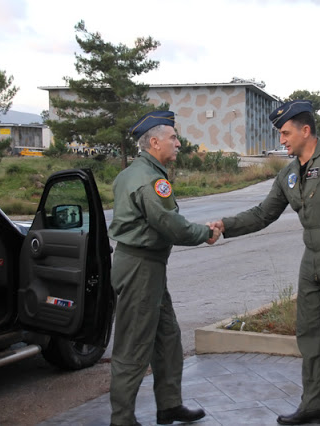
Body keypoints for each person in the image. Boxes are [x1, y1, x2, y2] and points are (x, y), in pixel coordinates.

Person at [212, 100, 320, 426]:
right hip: (312, 256)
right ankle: (315, 405)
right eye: (281, 134)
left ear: (306, 130)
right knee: (310, 334)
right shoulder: (289, 174)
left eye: (286, 133)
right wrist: (225, 224)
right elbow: (263, 214)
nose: (282, 140)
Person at [108, 111, 220, 426]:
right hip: (141, 268)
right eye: (173, 137)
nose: (178, 143)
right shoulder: (150, 180)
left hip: (148, 267)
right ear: (154, 142)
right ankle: (122, 418)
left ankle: (169, 405)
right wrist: (206, 233)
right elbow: (171, 225)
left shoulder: (133, 173)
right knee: (133, 346)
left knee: (167, 338)